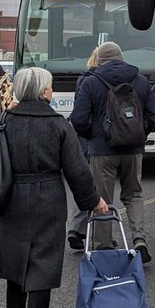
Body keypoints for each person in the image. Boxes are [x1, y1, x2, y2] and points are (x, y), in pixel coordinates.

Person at [0, 67, 108, 308]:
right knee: (42, 266)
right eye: (50, 86)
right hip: (47, 199)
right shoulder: (58, 125)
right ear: (42, 91)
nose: (52, 91)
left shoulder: (2, 121)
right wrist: (93, 201)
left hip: (10, 198)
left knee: (15, 257)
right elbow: (77, 170)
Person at [69, 41, 155, 258]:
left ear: (99, 60)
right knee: (134, 194)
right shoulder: (140, 81)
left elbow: (79, 119)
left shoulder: (91, 83)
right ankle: (139, 240)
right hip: (133, 150)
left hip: (102, 152)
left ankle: (103, 247)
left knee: (102, 198)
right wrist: (140, 133)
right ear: (121, 58)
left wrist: (93, 136)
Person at [66, 47, 103, 250]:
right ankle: (98, 232)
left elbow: (78, 113)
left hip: (81, 138)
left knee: (83, 183)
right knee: (99, 185)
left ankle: (75, 228)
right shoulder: (102, 81)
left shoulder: (83, 79)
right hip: (97, 139)